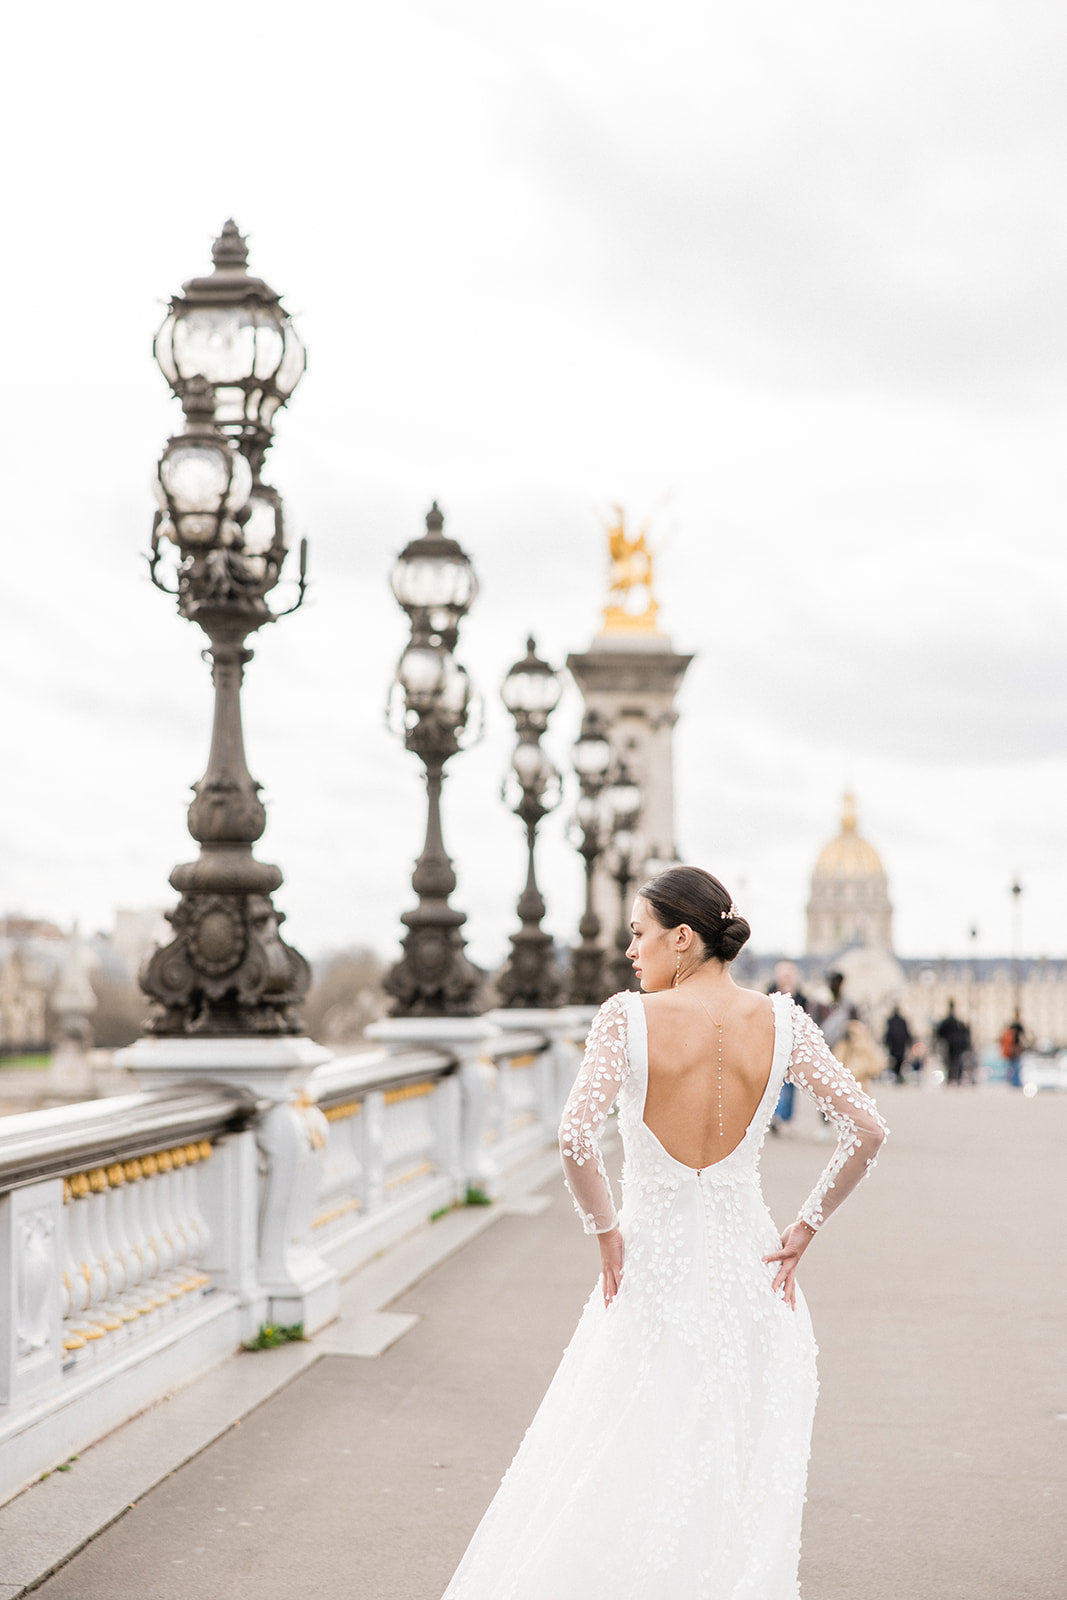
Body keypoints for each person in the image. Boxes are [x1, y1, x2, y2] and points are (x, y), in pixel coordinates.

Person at [440, 866, 888, 1600]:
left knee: (623, 1451)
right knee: (719, 1462)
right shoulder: (783, 1022)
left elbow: (574, 1138)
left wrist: (606, 1233)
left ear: (681, 938)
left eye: (637, 934)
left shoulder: (625, 1019)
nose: (628, 952)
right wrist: (803, 1226)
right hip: (752, 1270)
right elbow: (867, 1130)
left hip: (651, 1266)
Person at [936, 1000, 970, 1086]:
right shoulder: (957, 1023)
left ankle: (951, 1078)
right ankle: (956, 1078)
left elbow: (940, 1033)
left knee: (951, 1062)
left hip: (951, 1045)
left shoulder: (948, 1022)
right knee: (956, 1061)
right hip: (956, 1045)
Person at [883, 1004, 913, 1082]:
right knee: (898, 1060)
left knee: (896, 1060)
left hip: (895, 1045)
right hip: (899, 1044)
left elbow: (888, 1033)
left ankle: (897, 1075)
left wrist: (886, 1042)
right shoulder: (899, 1021)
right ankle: (897, 1075)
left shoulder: (892, 1020)